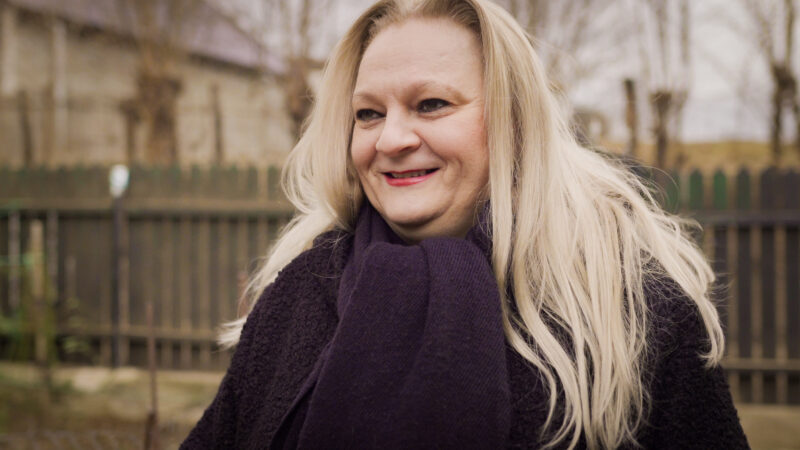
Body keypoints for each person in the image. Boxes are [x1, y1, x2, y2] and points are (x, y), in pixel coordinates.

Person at [182, 0, 749, 448]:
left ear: (512, 121)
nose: (391, 139)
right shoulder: (300, 292)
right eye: (369, 113)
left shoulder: (629, 313)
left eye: (431, 104)